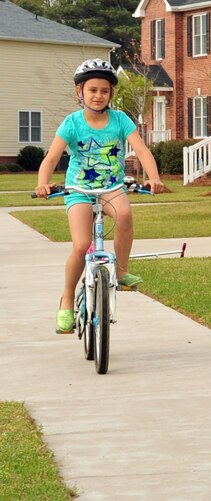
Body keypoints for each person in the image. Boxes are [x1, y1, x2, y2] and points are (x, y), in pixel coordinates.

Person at [35, 59, 167, 334]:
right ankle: (67, 300)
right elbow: (51, 157)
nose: (98, 95)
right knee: (82, 245)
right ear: (79, 92)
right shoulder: (72, 123)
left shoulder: (120, 120)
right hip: (78, 190)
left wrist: (153, 177)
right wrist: (42, 183)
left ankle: (120, 271)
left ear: (111, 94)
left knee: (126, 215)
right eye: (92, 89)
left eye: (104, 91)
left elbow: (141, 150)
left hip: (111, 188)